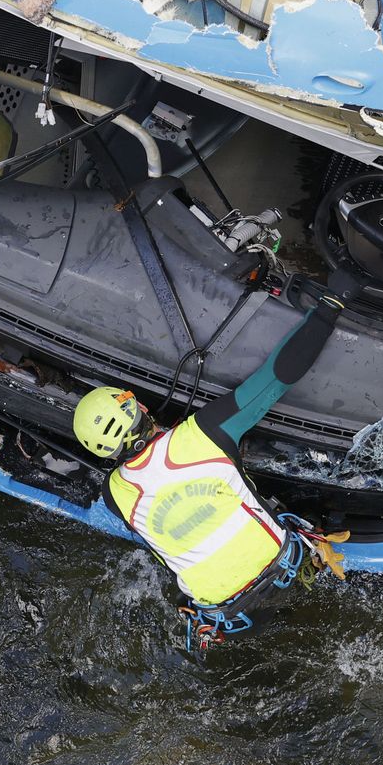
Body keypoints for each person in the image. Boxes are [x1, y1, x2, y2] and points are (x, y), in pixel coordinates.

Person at [72, 277, 357, 650]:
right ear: (139, 406)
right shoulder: (205, 432)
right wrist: (329, 307)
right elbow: (275, 378)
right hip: (287, 571)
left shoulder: (114, 493)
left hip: (232, 620)